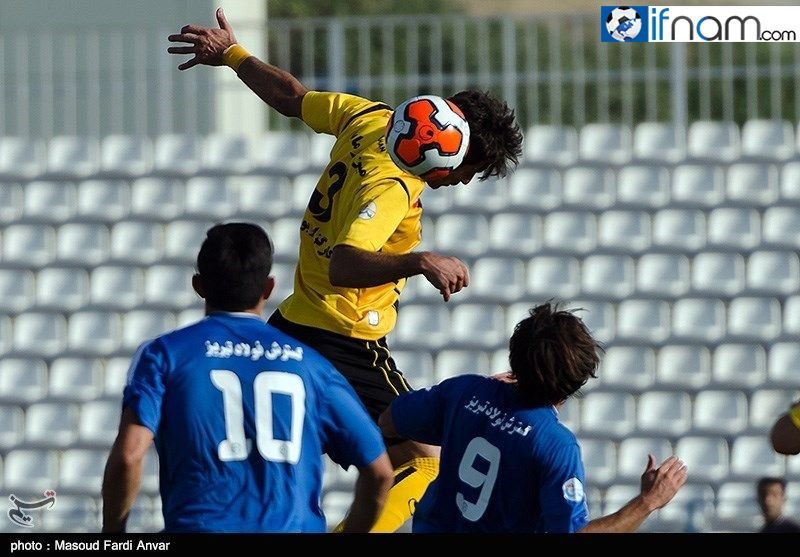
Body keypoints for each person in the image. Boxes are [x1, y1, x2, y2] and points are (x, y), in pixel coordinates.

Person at [167, 7, 523, 532]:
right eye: (469, 170)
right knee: (426, 462)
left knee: (287, 462)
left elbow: (292, 97)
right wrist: (420, 260)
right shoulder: (394, 185)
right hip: (344, 338)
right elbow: (345, 263)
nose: (464, 181)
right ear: (449, 150)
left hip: (295, 320)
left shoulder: (371, 117)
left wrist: (234, 55)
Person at [101, 222, 393, 533]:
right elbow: (380, 472)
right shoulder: (312, 366)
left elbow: (129, 456)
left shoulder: (164, 355)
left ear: (199, 286)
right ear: (268, 288)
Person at [378, 302, 688, 533]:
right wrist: (648, 501)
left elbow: (389, 421)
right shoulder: (555, 445)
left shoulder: (465, 391)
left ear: (514, 356)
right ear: (577, 381)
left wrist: (475, 405)